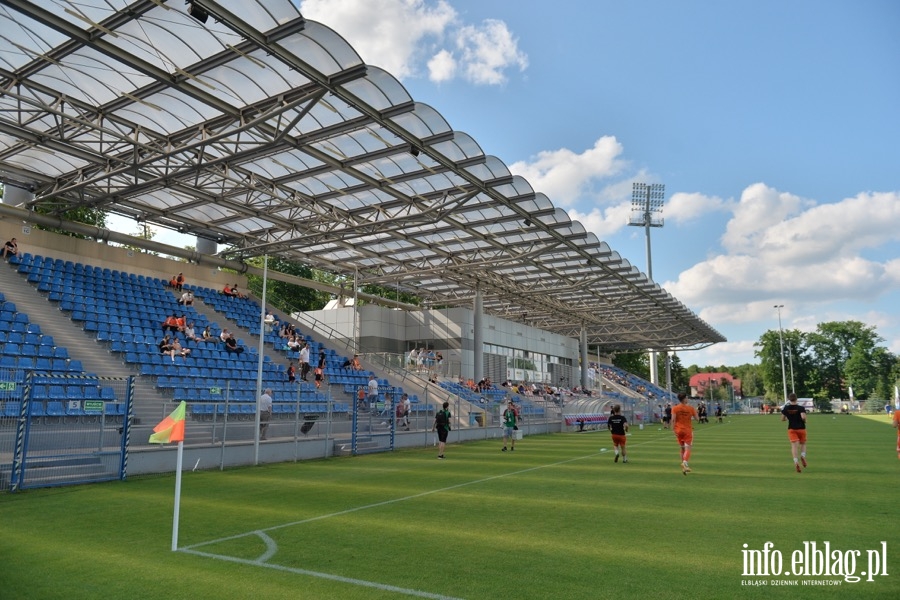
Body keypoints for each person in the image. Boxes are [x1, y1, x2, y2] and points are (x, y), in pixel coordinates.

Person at [672, 393, 698, 475]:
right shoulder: (690, 408)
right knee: (688, 448)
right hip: (687, 430)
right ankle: (685, 462)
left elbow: (673, 420)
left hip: (678, 430)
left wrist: (674, 430)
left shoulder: (675, 408)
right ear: (684, 399)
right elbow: (697, 419)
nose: (688, 399)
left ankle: (684, 467)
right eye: (687, 398)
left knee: (682, 448)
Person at [781, 393, 808, 473]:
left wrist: (788, 419)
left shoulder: (786, 408)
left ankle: (796, 462)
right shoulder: (800, 408)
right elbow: (803, 417)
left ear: (789, 399)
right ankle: (802, 456)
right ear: (796, 399)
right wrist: (805, 420)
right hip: (801, 428)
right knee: (803, 443)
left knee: (794, 446)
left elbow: (782, 419)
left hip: (791, 429)